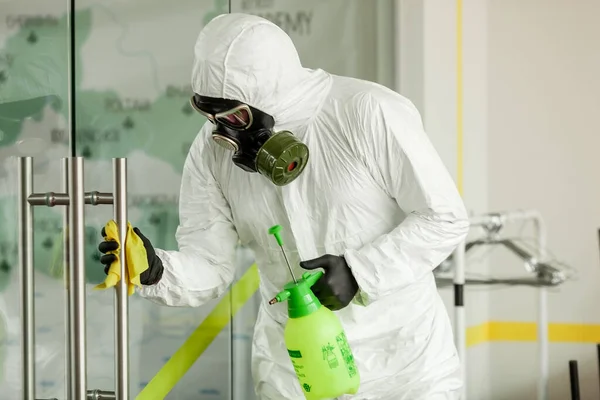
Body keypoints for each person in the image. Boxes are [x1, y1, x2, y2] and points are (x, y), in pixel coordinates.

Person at [98, 13, 469, 399]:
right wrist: (156, 270)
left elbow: (444, 218)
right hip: (293, 372)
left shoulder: (367, 111)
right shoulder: (210, 154)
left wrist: (360, 272)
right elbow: (210, 265)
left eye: (236, 116)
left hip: (405, 367)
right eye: (211, 115)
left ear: (269, 96)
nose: (224, 134)